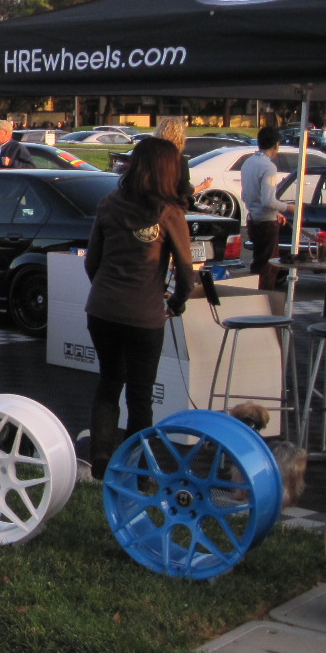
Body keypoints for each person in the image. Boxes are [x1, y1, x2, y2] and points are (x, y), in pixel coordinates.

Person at [82, 136, 194, 478]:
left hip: (102, 309)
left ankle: (100, 461)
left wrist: (108, 290)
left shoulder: (109, 203)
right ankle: (139, 470)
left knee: (109, 382)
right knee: (141, 395)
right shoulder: (169, 212)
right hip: (144, 315)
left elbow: (92, 262)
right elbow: (186, 272)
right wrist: (176, 303)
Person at [240, 126, 287, 290]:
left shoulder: (248, 162)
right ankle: (264, 303)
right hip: (267, 223)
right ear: (276, 145)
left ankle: (255, 297)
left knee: (258, 263)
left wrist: (275, 212)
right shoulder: (269, 167)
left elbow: (245, 195)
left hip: (253, 219)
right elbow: (268, 201)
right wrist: (289, 207)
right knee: (269, 267)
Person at [154, 116, 212, 206]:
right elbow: (184, 190)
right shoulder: (178, 159)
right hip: (168, 207)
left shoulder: (148, 155)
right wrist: (203, 186)